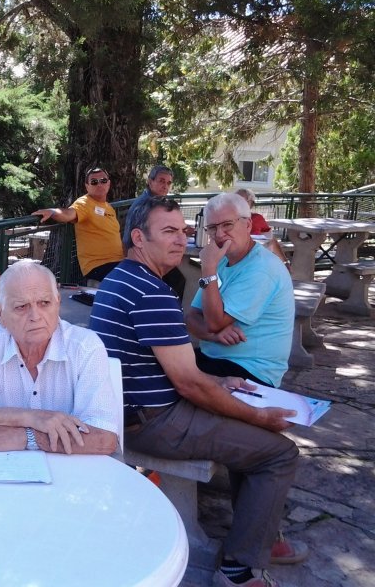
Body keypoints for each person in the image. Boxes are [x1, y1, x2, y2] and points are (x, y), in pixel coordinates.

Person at [90, 197, 306, 587]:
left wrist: (221, 383)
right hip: (153, 422)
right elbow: (189, 383)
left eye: (184, 231)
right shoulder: (152, 292)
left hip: (127, 413)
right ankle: (239, 570)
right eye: (169, 232)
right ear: (138, 238)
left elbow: (182, 369)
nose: (181, 240)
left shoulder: (121, 278)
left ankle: (255, 536)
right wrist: (259, 416)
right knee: (279, 453)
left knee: (246, 423)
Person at [0, 260, 120, 455]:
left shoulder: (85, 347)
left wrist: (25, 437)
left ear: (58, 303)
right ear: (0, 313)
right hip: (1, 466)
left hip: (71, 470)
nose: (35, 316)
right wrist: (28, 417)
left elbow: (104, 439)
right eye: (21, 306)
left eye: (44, 303)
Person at [185, 192, 294, 388]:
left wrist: (208, 269)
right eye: (212, 228)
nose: (219, 234)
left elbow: (213, 322)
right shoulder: (222, 260)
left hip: (251, 370)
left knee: (172, 380)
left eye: (227, 225)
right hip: (216, 358)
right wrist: (214, 335)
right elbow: (191, 318)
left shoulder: (261, 268)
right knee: (158, 366)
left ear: (248, 225)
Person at [32, 167, 124, 283]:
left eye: (103, 180)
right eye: (94, 182)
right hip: (98, 265)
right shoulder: (84, 203)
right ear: (87, 186)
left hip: (117, 262)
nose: (99, 184)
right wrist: (53, 212)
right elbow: (69, 214)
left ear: (108, 183)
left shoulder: (108, 207)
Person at [122, 165, 187, 299]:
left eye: (168, 183)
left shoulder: (157, 203)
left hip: (149, 255)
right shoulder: (145, 205)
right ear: (150, 182)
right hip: (140, 257)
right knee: (177, 280)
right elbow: (130, 238)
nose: (165, 186)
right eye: (161, 181)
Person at [235, 188, 290, 265]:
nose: (239, 204)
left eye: (243, 201)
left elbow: (271, 238)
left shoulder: (257, 218)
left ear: (251, 204)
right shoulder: (227, 219)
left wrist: (284, 262)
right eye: (236, 200)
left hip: (256, 255)